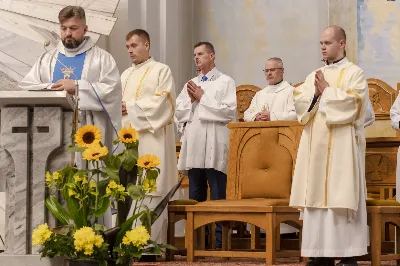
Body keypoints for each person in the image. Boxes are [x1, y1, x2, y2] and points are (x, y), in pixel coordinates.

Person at [19, 6, 122, 228]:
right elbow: (27, 85)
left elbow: (112, 90)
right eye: (64, 28)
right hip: (51, 137)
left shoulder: (101, 59)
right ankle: (54, 238)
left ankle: (91, 241)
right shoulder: (47, 59)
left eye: (74, 28)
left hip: (88, 139)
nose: (68, 33)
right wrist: (52, 88)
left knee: (88, 188)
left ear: (85, 29)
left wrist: (77, 86)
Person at [289, 26, 369, 266]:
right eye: (321, 43)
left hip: (342, 148)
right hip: (316, 148)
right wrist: (315, 94)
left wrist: (327, 92)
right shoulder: (314, 74)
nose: (323, 47)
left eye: (328, 42)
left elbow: (355, 104)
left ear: (342, 43)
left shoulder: (355, 73)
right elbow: (300, 103)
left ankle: (347, 253)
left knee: (340, 195)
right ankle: (319, 254)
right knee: (316, 197)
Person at [176, 42, 237, 248]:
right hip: (194, 143)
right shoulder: (190, 83)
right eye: (194, 54)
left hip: (214, 144)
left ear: (212, 55)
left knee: (217, 195)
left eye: (201, 54)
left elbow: (228, 111)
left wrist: (203, 97)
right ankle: (197, 244)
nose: (196, 58)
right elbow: (178, 112)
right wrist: (192, 102)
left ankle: (219, 244)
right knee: (196, 196)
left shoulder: (225, 81)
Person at [121, 29, 178, 244]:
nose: (130, 51)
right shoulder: (125, 75)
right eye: (127, 47)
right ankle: (126, 242)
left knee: (150, 189)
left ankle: (148, 246)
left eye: (134, 46)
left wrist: (131, 107)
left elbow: (164, 104)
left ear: (147, 45)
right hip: (127, 141)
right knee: (126, 189)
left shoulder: (161, 70)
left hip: (151, 141)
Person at [244, 57, 296, 122]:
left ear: (282, 71)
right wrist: (256, 117)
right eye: (266, 71)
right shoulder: (260, 94)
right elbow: (246, 115)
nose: (269, 73)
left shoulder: (291, 91)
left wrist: (271, 116)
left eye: (272, 70)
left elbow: (295, 115)